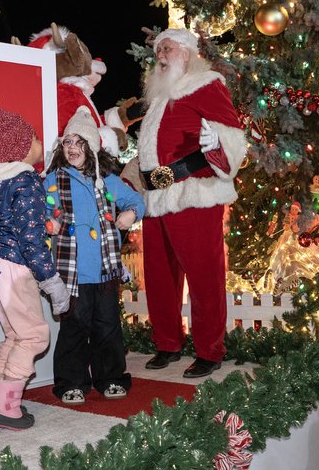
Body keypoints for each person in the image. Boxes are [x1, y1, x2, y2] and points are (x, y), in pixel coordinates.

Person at [134, 28, 245, 378]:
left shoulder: (207, 84)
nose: (160, 56)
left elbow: (231, 137)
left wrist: (216, 147)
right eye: (158, 51)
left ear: (186, 51)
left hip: (194, 193)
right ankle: (167, 343)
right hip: (156, 198)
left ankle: (210, 350)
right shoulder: (159, 96)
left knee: (203, 277)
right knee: (160, 276)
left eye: (166, 49)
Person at [0, 104, 70, 429]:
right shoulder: (26, 183)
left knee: (15, 333)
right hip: (16, 266)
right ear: (21, 148)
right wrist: (51, 280)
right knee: (34, 336)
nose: (40, 143)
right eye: (35, 138)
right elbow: (31, 240)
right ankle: (5, 407)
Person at [42, 106, 144, 404]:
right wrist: (49, 220)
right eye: (68, 142)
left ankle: (110, 378)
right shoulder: (52, 181)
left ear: (92, 147)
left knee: (108, 326)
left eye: (79, 142)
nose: (72, 148)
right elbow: (37, 210)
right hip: (72, 273)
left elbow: (136, 199)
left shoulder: (107, 180)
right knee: (74, 328)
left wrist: (131, 212)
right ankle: (70, 382)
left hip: (105, 271)